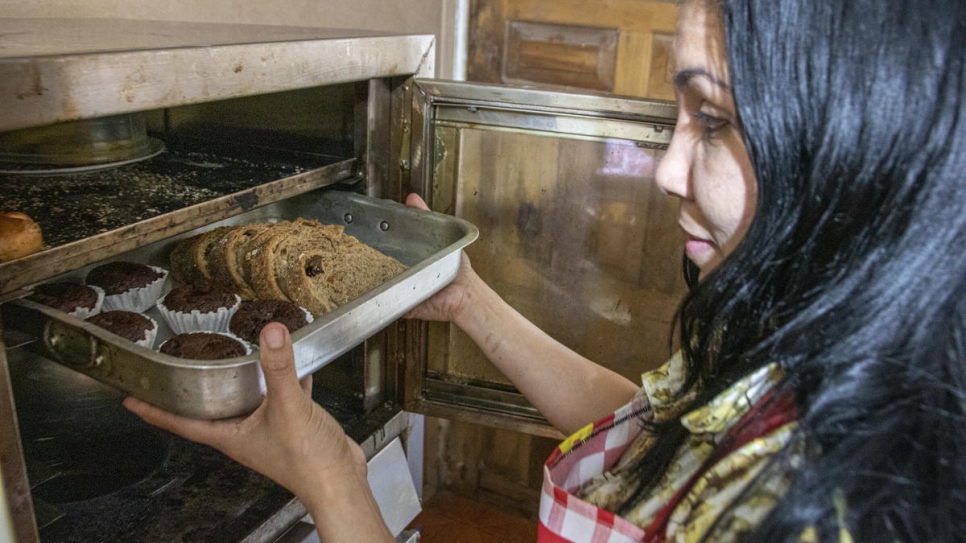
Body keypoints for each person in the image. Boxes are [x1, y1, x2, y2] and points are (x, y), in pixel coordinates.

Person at [124, 0, 966, 540]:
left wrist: (331, 476)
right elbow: (651, 435)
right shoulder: (827, 360)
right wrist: (467, 301)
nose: (668, 170)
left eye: (712, 121)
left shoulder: (810, 517)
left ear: (864, 151)